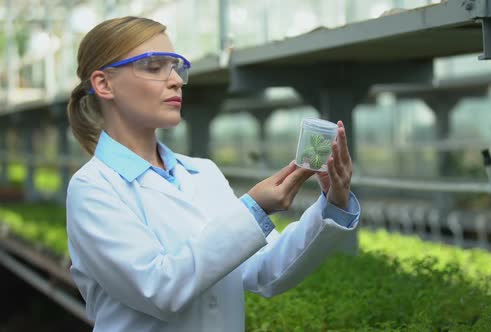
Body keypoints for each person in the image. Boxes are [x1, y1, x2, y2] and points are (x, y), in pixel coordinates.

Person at [66, 16, 361, 332]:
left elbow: (266, 270)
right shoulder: (93, 188)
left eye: (176, 67)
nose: (176, 80)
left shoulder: (202, 173)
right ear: (103, 84)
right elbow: (158, 289)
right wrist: (255, 209)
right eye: (154, 67)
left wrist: (333, 203)